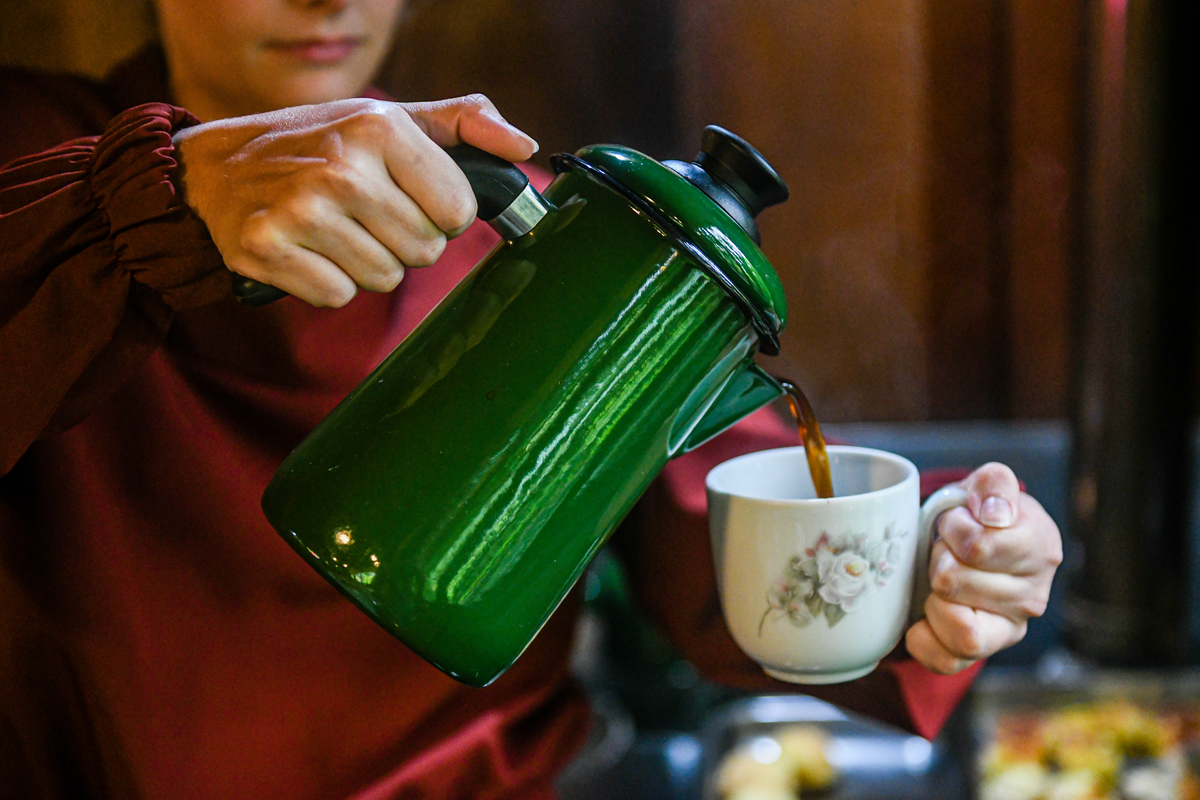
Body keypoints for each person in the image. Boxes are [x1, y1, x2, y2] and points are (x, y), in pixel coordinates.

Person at [0, 0, 1063, 797]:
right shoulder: (41, 176)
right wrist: (164, 195)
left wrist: (936, 557)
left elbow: (717, 525)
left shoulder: (522, 221)